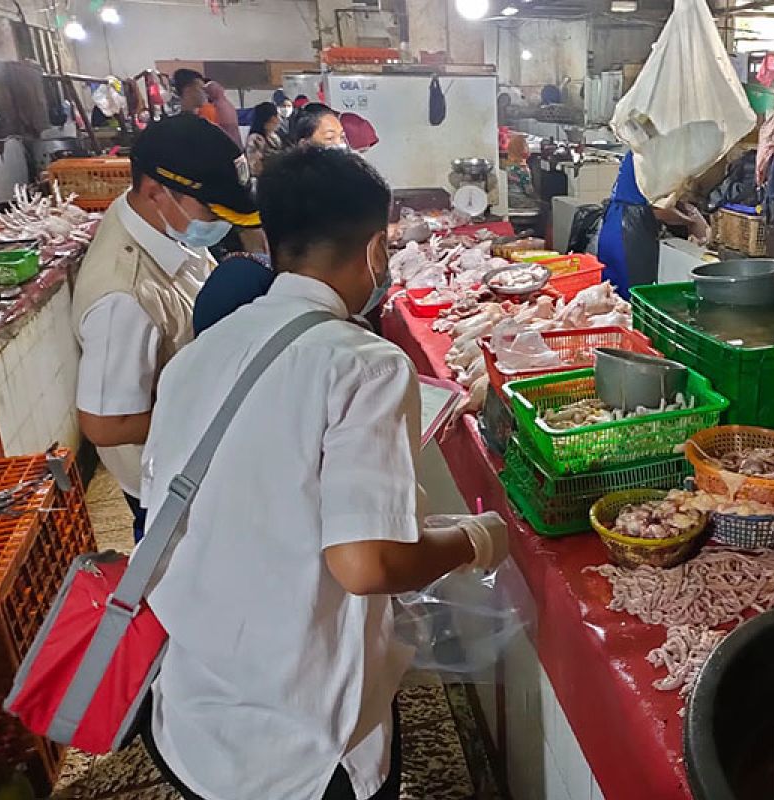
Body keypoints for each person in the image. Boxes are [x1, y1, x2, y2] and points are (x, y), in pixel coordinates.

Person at [137, 145, 509, 800]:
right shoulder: (364, 364)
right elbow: (366, 565)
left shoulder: (199, 356)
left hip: (194, 717)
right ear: (373, 252)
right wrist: (474, 539)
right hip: (302, 747)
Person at [72, 115, 257, 543]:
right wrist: (210, 417)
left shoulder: (162, 223)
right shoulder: (124, 297)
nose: (219, 222)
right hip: (166, 480)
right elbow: (104, 424)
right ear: (156, 191)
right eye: (212, 210)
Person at [245, 101, 284, 175]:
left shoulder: (274, 137)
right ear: (269, 119)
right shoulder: (255, 139)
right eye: (276, 116)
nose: (279, 120)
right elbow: (254, 167)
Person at [202, 81, 242, 147]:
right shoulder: (228, 104)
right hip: (234, 144)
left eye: (208, 92)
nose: (207, 95)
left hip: (226, 144)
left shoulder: (217, 107)